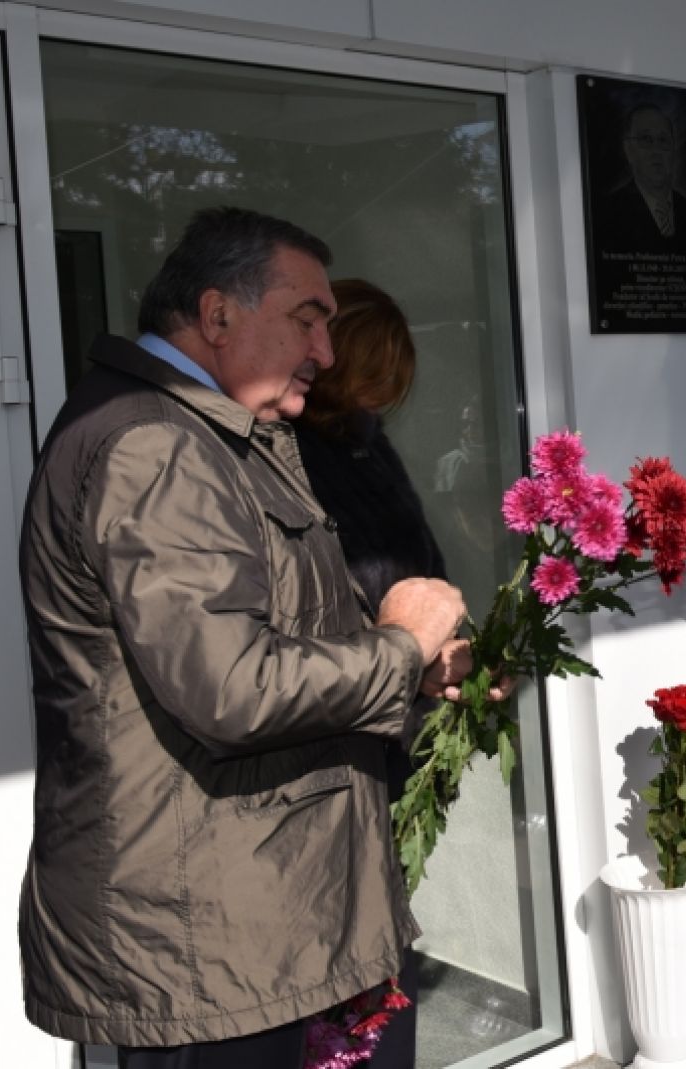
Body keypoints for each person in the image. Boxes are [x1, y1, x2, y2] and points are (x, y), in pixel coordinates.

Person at [18, 207, 477, 1069]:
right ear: (218, 313)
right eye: (307, 319)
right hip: (204, 932)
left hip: (248, 913)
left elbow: (266, 630)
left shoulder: (213, 430)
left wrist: (407, 665)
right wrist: (398, 648)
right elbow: (230, 687)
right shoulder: (156, 444)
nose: (326, 353)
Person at [291, 279, 444, 1069]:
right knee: (346, 939)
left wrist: (445, 638)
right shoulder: (287, 453)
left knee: (382, 926)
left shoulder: (366, 442)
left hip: (394, 703)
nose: (384, 393)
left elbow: (415, 552)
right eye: (376, 373)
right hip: (343, 715)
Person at [592, 103, 686, 257]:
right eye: (645, 139)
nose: (656, 150)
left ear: (673, 149)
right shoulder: (607, 214)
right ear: (628, 150)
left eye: (663, 140)